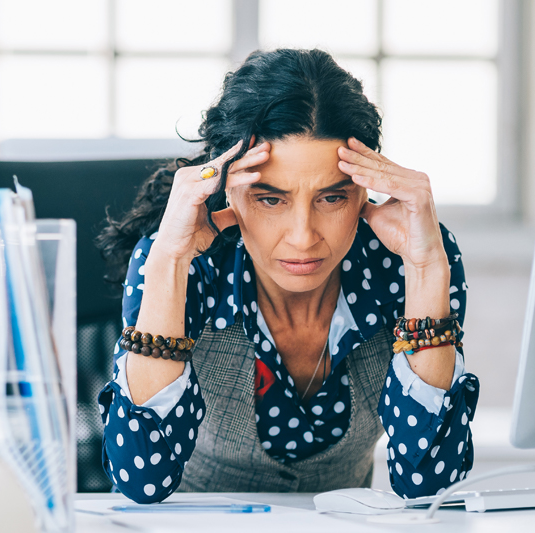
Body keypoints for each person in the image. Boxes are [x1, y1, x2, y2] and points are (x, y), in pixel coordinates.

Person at [96, 48, 479, 503]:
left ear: (364, 190)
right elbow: (143, 480)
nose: (302, 238)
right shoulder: (181, 260)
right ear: (227, 192)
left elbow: (428, 484)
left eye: (332, 198)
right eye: (270, 199)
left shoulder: (408, 256)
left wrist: (426, 268)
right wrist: (168, 262)